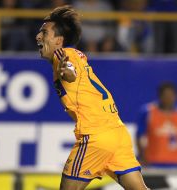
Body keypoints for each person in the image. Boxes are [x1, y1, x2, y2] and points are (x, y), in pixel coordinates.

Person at [35, 5, 149, 190]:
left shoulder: (62, 55)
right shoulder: (74, 55)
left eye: (44, 32)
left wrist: (66, 72)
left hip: (95, 135)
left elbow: (70, 71)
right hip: (117, 133)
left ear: (58, 40)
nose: (38, 37)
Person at [137, 82, 177, 166]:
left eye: (171, 95)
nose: (168, 98)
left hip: (174, 164)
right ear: (160, 96)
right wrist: (142, 157)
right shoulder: (148, 111)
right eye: (166, 95)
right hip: (153, 163)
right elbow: (139, 136)